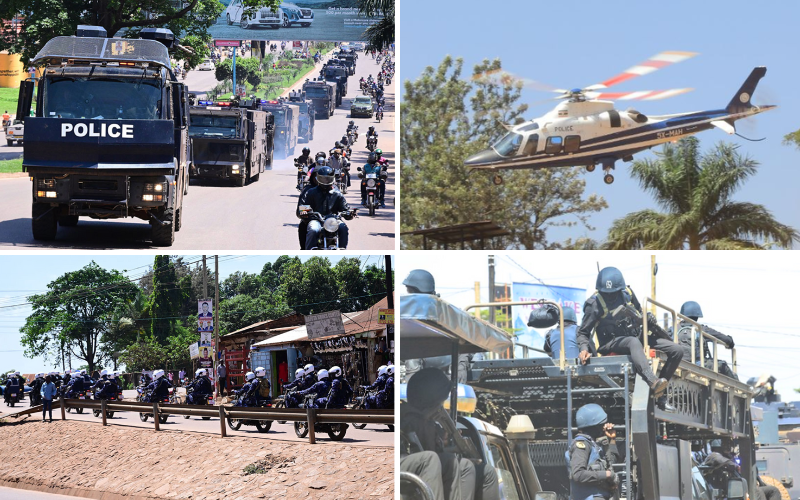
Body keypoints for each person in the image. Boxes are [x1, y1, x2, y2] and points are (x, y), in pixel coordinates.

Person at [576, 267, 682, 412]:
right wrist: (584, 349)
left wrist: (647, 317)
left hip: (635, 335)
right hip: (611, 343)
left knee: (677, 350)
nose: (610, 296)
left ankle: (660, 395)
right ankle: (652, 380)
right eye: (606, 293)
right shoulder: (594, 304)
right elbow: (583, 332)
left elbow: (640, 311)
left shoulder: (627, 293)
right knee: (633, 341)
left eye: (613, 293)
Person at [401, 368, 499, 500]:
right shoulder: (410, 417)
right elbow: (426, 454)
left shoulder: (426, 421)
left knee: (477, 469)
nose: (441, 406)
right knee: (431, 459)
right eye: (440, 401)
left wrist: (450, 447)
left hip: (415, 463)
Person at [566, 404, 621, 500]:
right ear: (594, 425)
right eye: (602, 424)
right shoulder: (581, 445)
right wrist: (607, 475)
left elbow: (610, 463)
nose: (604, 426)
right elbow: (578, 474)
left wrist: (611, 439)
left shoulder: (593, 444)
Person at [296, 165, 354, 250]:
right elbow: (302, 208)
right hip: (316, 219)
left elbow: (345, 208)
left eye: (328, 179)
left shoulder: (337, 193)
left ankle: (342, 250)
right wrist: (309, 213)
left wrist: (349, 213)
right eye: (323, 179)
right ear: (318, 179)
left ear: (332, 179)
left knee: (343, 228)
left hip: (333, 220)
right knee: (313, 230)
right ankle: (308, 251)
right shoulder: (310, 192)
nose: (326, 181)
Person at [677, 301, 737, 378]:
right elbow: (725, 339)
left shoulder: (673, 329)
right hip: (697, 365)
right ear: (697, 316)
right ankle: (739, 390)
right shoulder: (700, 329)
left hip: (677, 364)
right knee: (722, 365)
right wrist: (730, 342)